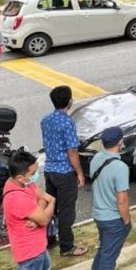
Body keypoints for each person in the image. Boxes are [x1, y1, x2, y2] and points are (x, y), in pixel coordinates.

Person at [3, 150, 64, 270]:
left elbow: (42, 197)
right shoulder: (17, 197)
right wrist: (50, 203)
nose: (36, 175)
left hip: (38, 245)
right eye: (33, 173)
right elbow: (45, 216)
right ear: (21, 177)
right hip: (28, 250)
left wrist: (41, 209)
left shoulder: (22, 184)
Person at [86, 127, 131, 270]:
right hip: (113, 219)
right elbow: (122, 200)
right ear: (120, 142)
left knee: (103, 251)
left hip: (99, 215)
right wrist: (126, 221)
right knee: (108, 257)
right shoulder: (120, 167)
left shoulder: (96, 158)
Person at [40, 85, 87, 257]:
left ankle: (49, 239)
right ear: (69, 101)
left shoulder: (45, 120)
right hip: (65, 172)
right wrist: (80, 173)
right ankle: (67, 246)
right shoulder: (68, 122)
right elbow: (72, 151)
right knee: (66, 210)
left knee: (51, 206)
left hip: (50, 169)